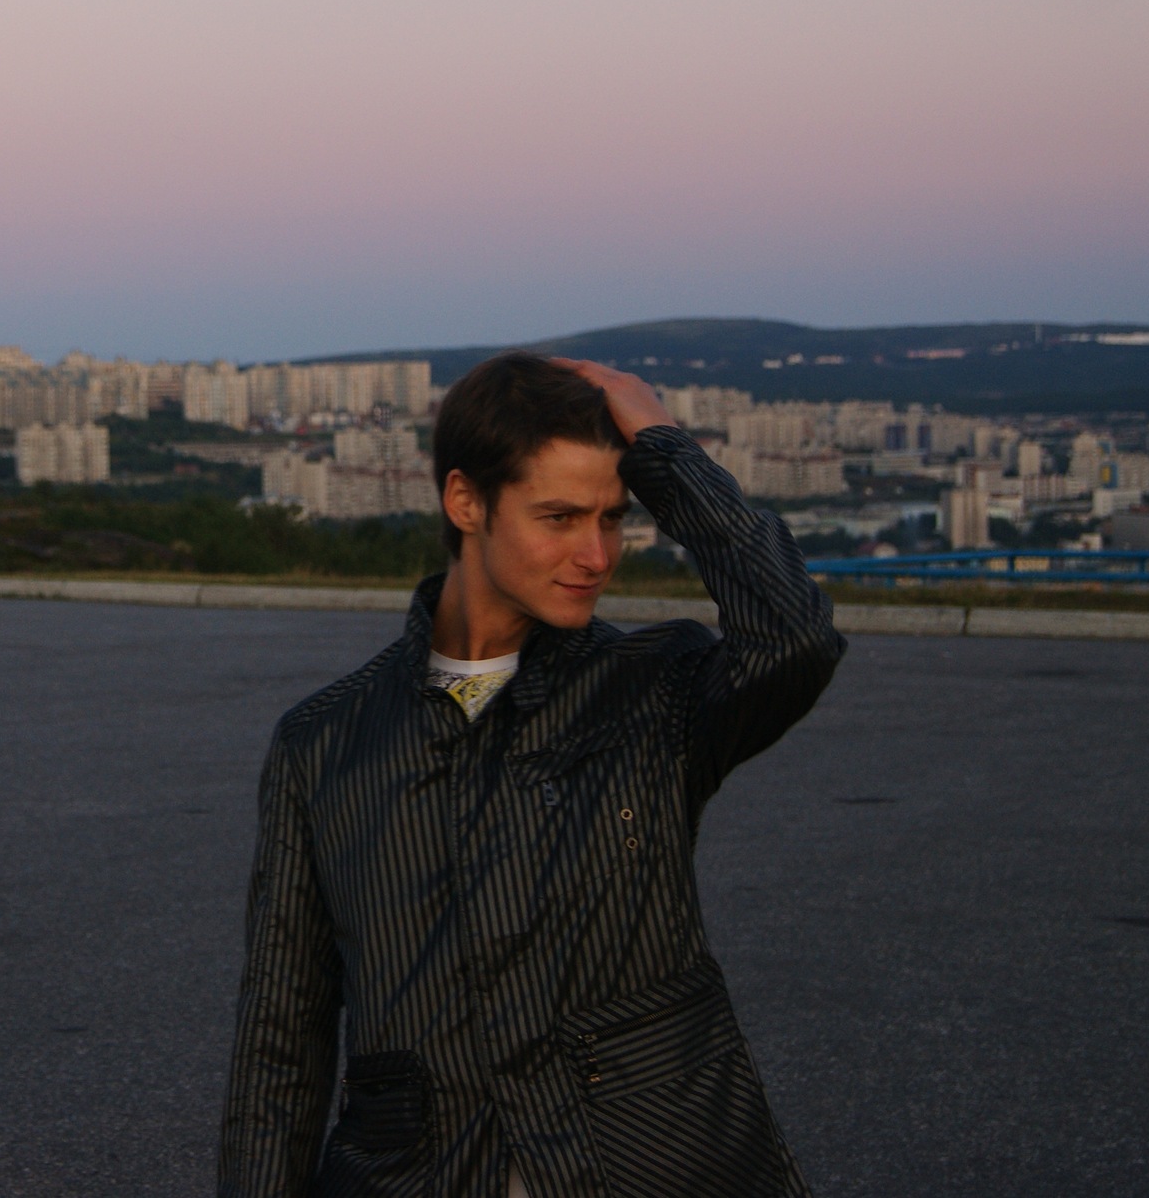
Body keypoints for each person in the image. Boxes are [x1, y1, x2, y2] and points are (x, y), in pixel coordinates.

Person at [217, 353, 846, 1198]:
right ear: (466, 502)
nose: (596, 555)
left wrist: (664, 447)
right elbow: (280, 1044)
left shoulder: (653, 691)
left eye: (613, 518)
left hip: (650, 1168)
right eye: (559, 517)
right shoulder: (324, 745)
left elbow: (796, 638)